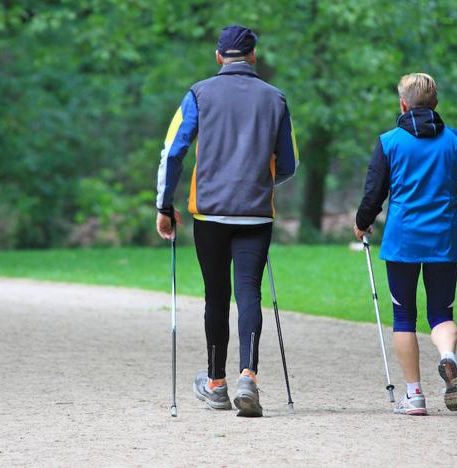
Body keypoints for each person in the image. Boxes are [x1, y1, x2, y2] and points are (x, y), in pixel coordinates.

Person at [155, 25, 299, 417]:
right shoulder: (276, 99)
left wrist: (164, 207)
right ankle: (248, 375)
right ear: (253, 56)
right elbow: (289, 163)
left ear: (219, 57)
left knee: (216, 296)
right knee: (249, 292)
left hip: (210, 213)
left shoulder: (198, 94)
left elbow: (173, 153)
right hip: (255, 214)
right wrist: (260, 179)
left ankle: (216, 384)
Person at [353, 73, 457, 416]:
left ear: (402, 104)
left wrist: (361, 222)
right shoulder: (456, 141)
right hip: (443, 238)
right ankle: (447, 356)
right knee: (441, 313)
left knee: (403, 316)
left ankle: (414, 395)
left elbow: (374, 194)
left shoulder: (389, 142)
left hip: (403, 241)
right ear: (436, 104)